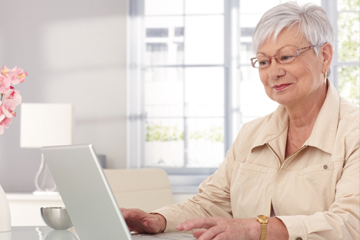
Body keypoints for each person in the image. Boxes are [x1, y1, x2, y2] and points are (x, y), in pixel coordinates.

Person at [121, 2, 360, 239]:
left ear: (325, 56)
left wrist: (256, 228)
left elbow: (349, 223)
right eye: (264, 62)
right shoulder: (251, 134)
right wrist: (157, 220)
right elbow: (209, 204)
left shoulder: (354, 133)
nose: (273, 72)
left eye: (286, 57)